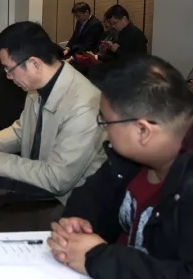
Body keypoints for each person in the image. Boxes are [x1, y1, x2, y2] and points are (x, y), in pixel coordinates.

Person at [49, 55, 193, 278]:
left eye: (105, 122)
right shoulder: (128, 160)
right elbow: (90, 196)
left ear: (143, 131)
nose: (104, 130)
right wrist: (79, 223)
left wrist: (99, 258)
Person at [0, 21, 105, 203]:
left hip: (67, 206)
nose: (8, 77)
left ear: (34, 64)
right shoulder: (38, 86)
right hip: (34, 188)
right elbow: (22, 130)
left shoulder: (83, 107)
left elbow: (57, 178)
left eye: (9, 69)